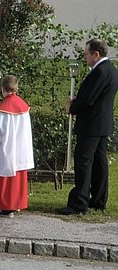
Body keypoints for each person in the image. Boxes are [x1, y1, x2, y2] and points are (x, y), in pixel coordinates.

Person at [57, 38, 118, 215]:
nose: (85, 58)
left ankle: (80, 202)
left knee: (83, 161)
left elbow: (89, 99)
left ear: (95, 54)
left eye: (86, 54)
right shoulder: (112, 70)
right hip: (103, 124)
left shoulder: (99, 72)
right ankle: (98, 200)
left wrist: (73, 106)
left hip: (91, 125)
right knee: (100, 162)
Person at [0, 75, 34, 218]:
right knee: (17, 180)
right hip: (20, 150)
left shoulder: (3, 110)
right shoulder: (23, 107)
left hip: (7, 150)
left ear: (2, 89)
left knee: (5, 180)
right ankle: (15, 205)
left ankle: (5, 208)